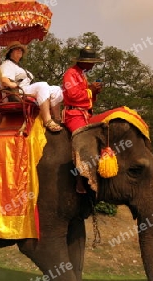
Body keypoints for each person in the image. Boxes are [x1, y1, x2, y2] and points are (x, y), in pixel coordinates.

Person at [62, 46, 104, 193]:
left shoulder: (82, 74)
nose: (93, 65)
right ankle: (79, 179)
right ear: (83, 61)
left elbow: (87, 98)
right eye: (91, 62)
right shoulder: (70, 74)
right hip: (74, 115)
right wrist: (90, 90)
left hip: (85, 114)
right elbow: (73, 95)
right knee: (82, 141)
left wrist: (94, 92)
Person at [0, 41, 63, 132]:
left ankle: (57, 118)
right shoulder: (7, 65)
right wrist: (14, 85)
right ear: (10, 52)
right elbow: (4, 81)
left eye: (21, 50)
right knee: (42, 85)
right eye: (17, 49)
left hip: (27, 89)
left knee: (57, 89)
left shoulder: (19, 66)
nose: (20, 51)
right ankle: (47, 120)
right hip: (17, 93)